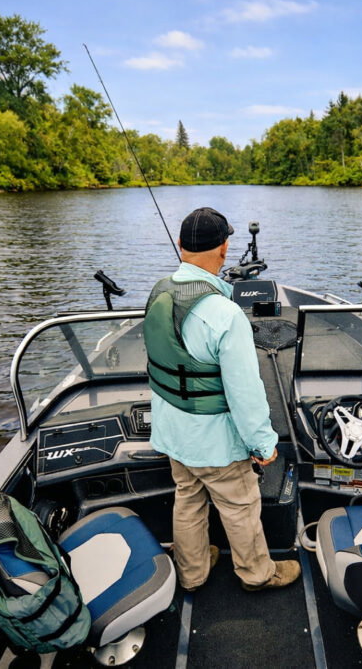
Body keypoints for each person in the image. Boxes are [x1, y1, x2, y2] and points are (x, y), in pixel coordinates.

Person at [144, 206, 300, 592]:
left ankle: (192, 573)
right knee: (240, 506)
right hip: (214, 442)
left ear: (181, 245)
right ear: (225, 250)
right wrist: (263, 444)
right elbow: (245, 393)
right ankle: (257, 575)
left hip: (173, 434)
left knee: (188, 499)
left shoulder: (159, 292)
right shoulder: (225, 315)